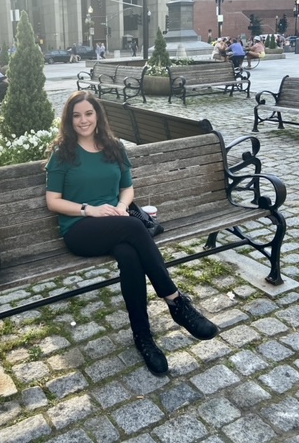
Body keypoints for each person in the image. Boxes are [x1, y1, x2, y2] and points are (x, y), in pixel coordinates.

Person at [45, 91, 218, 376]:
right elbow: (53, 201)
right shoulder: (63, 153)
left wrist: (122, 207)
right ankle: (176, 302)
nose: (83, 120)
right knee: (136, 228)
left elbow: (127, 188)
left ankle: (144, 337)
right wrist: (92, 209)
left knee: (129, 255)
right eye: (76, 115)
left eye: (88, 113)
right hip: (80, 229)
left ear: (98, 115)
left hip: (118, 224)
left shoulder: (114, 147)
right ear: (69, 119)